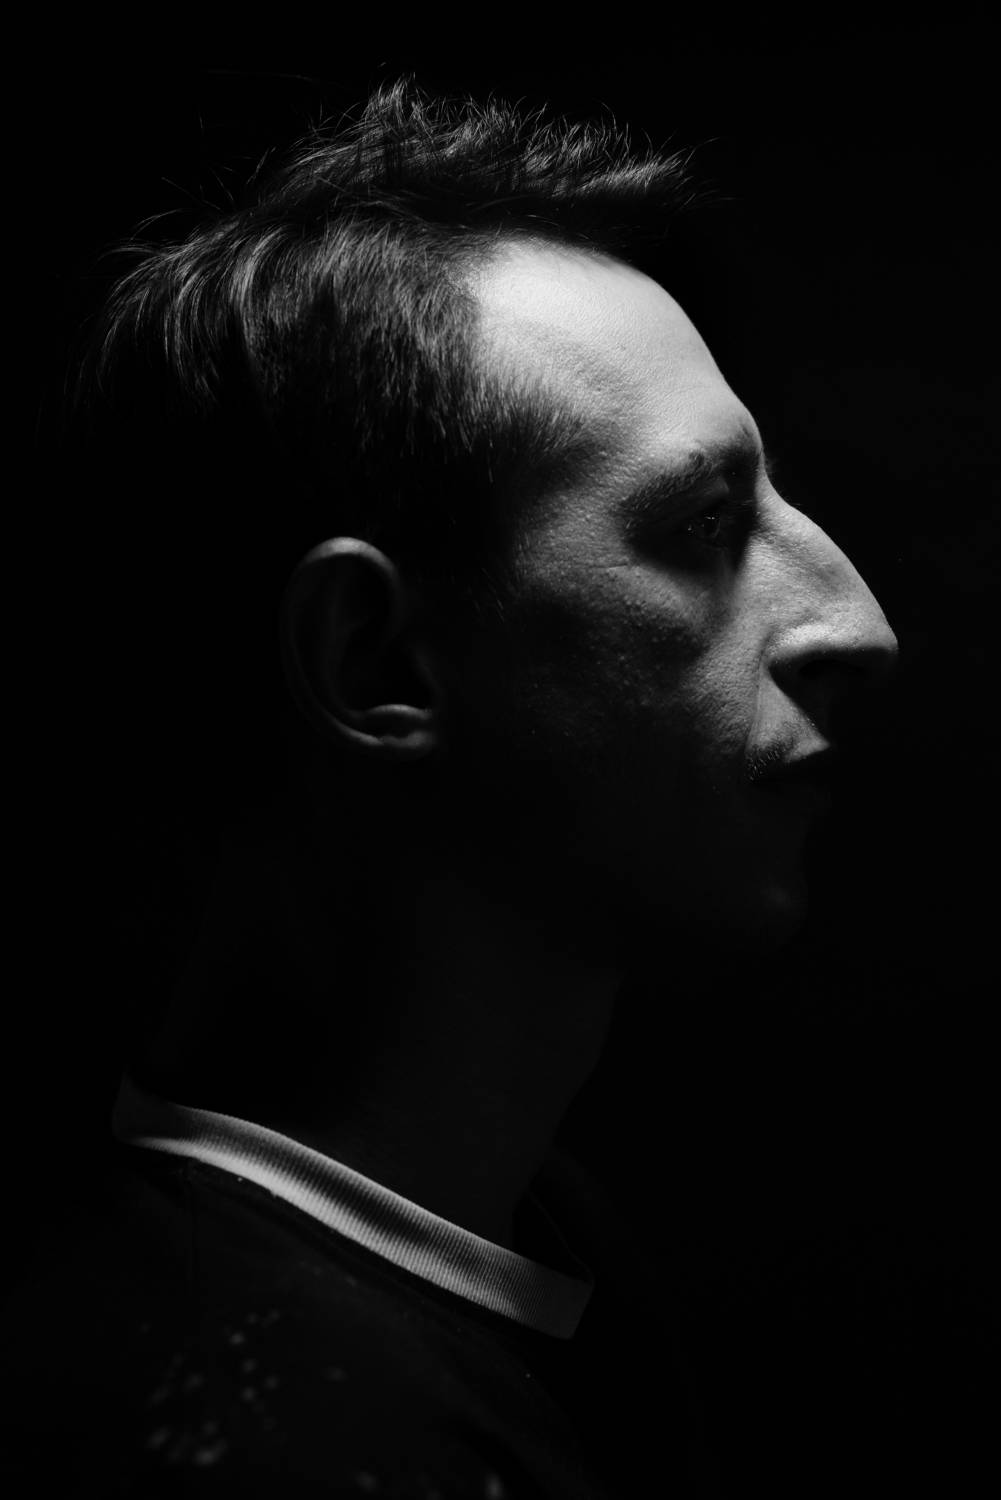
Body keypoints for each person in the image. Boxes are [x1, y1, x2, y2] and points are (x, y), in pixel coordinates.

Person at [6, 80, 897, 1495]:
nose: (854, 624)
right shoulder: (264, 1442)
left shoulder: (526, 1225)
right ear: (373, 660)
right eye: (703, 522)